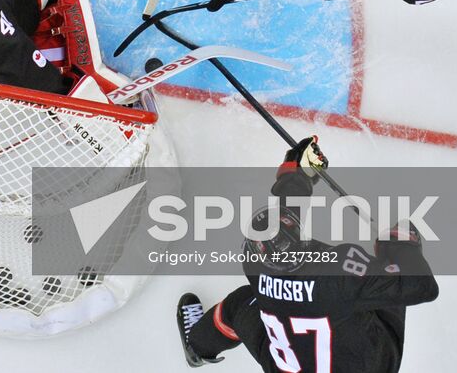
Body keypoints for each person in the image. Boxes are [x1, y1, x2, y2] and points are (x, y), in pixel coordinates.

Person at [176, 137, 438, 370]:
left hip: (291, 362)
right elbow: (422, 287)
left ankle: (197, 347)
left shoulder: (254, 262)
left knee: (237, 305)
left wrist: (295, 174)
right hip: (370, 363)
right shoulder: (340, 273)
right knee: (389, 283)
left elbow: (279, 236)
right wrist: (403, 248)